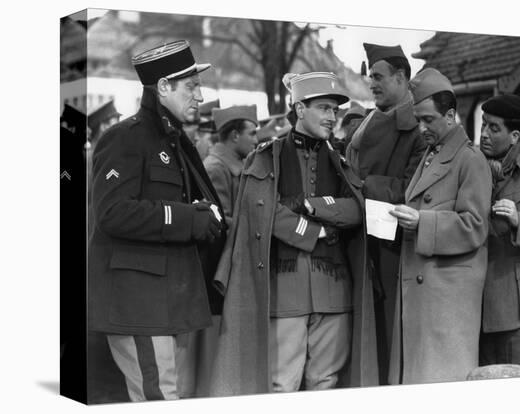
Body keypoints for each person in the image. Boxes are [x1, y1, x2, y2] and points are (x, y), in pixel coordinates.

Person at [210, 72, 378, 396]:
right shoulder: (264, 158)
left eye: (335, 110)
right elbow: (261, 212)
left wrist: (310, 206)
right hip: (284, 293)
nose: (332, 117)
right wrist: (315, 233)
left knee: (327, 386)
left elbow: (357, 210)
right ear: (300, 108)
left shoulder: (340, 161)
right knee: (281, 386)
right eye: (324, 108)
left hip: (335, 292)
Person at [88, 40, 226, 402]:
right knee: (158, 399)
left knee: (167, 395)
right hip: (139, 302)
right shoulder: (126, 138)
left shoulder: (174, 140)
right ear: (164, 86)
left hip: (165, 301)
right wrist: (186, 219)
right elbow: (112, 213)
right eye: (191, 86)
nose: (199, 95)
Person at [388, 68, 492, 384]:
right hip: (427, 295)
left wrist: (422, 221)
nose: (422, 128)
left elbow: (475, 225)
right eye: (419, 120)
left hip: (447, 302)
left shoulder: (470, 159)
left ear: (450, 116)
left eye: (428, 120)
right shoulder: (433, 155)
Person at [345, 43, 426, 384]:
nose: (371, 84)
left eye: (377, 77)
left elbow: (413, 190)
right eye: (369, 77)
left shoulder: (420, 127)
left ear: (401, 77)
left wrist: (359, 186)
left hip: (394, 247)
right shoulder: (367, 122)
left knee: (389, 337)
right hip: (361, 240)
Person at [478, 94, 520, 375]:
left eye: (493, 128)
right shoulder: (473, 167)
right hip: (477, 307)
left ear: (514, 136)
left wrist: (519, 220)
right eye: (482, 125)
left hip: (519, 313)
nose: (484, 134)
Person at [203, 105, 258, 229]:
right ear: (235, 136)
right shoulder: (215, 169)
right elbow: (220, 222)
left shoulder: (238, 165)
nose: (256, 140)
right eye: (252, 134)